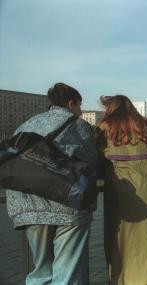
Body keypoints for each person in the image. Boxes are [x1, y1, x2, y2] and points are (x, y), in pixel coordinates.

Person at [6, 83, 98, 284]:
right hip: (67, 206)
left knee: (40, 273)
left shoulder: (27, 124)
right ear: (71, 103)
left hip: (27, 205)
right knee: (67, 275)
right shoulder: (76, 124)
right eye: (80, 106)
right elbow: (92, 161)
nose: (80, 111)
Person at [95, 95, 147, 285]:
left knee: (124, 250)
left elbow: (93, 156)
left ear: (110, 110)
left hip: (131, 197)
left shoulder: (108, 128)